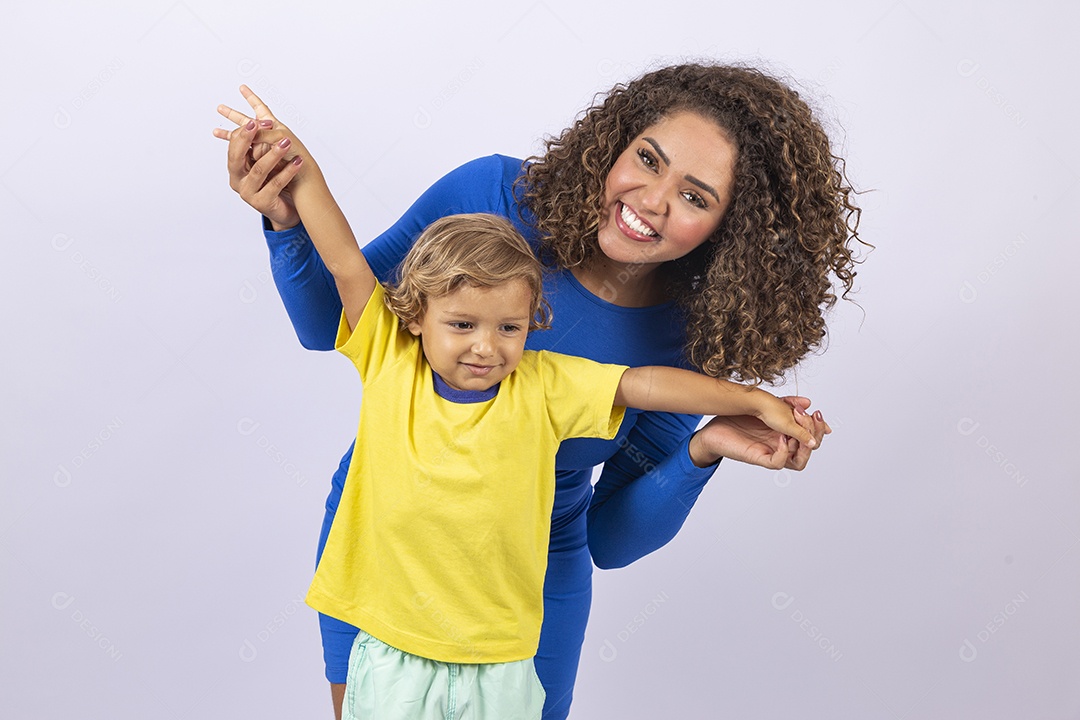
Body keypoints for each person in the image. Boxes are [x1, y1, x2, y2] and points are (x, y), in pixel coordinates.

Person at [216, 62, 860, 719]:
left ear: (735, 230)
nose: (651, 200)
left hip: (531, 583)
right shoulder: (490, 197)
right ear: (615, 141)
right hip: (386, 543)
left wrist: (707, 449)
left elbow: (610, 537)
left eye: (695, 197)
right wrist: (288, 218)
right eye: (647, 158)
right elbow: (336, 314)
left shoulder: (685, 342)